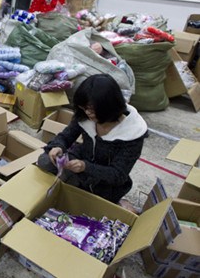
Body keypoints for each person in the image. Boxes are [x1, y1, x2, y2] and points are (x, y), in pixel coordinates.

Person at [37, 74, 148, 205]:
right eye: (84, 109)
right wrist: (57, 146)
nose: (88, 113)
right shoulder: (85, 115)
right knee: (45, 160)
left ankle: (119, 202)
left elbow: (118, 175)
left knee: (88, 200)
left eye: (92, 110)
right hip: (80, 161)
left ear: (109, 106)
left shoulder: (132, 132)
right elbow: (67, 135)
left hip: (104, 181)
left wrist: (85, 167)